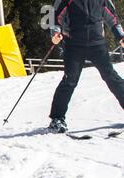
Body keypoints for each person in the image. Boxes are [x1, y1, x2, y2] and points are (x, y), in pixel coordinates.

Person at [49, 0, 124, 133]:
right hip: (74, 45)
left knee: (111, 77)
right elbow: (56, 17)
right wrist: (55, 33)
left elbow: (112, 18)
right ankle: (57, 119)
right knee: (69, 80)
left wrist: (121, 36)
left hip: (97, 44)